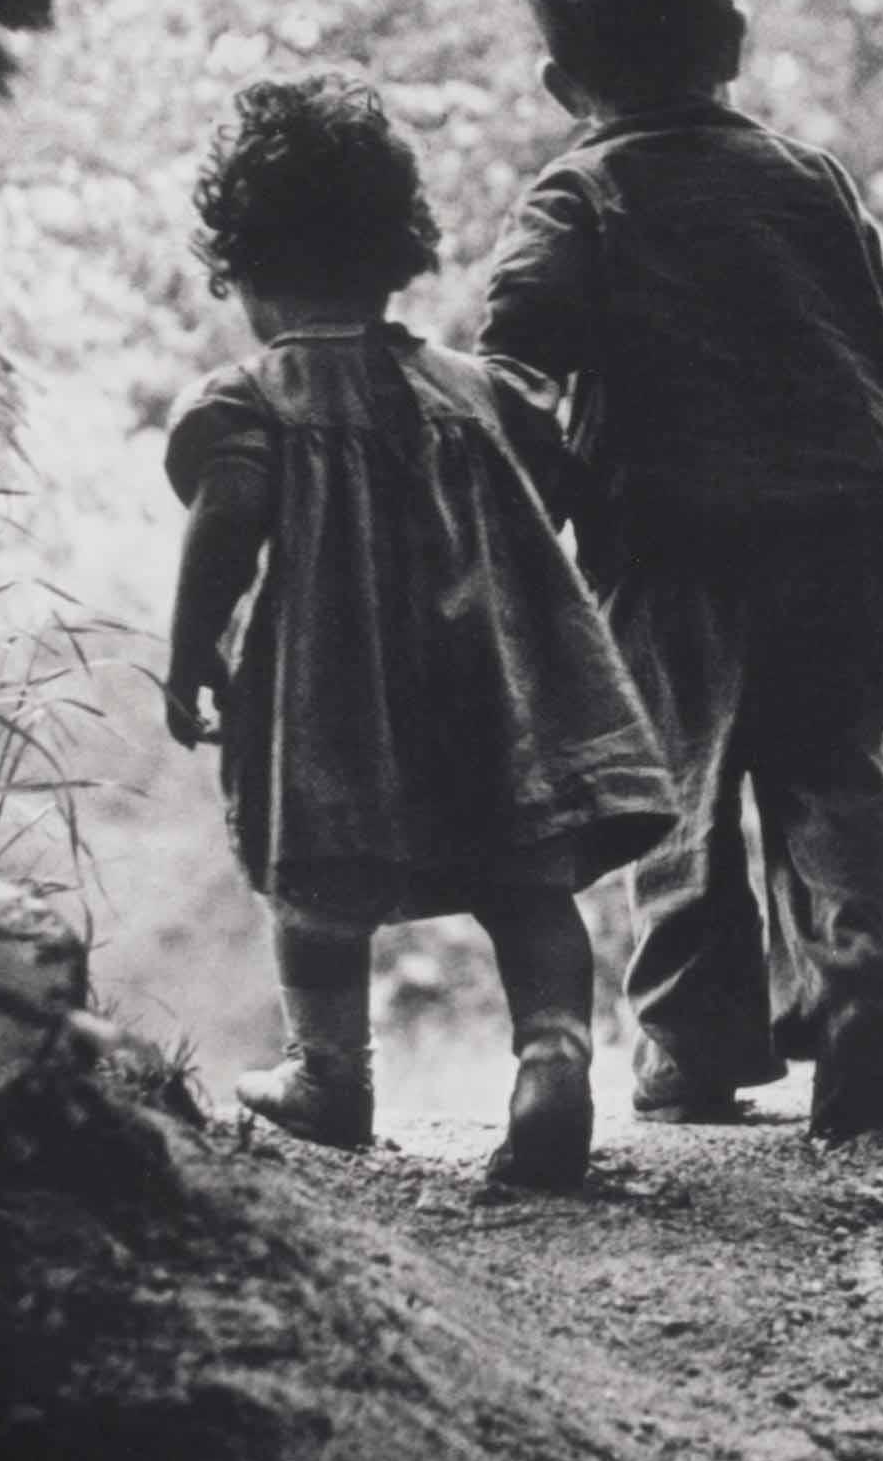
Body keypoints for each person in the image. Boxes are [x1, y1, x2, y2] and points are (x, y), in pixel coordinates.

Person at [479, 0, 883, 1142]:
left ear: (561, 83)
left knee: (681, 799)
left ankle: (692, 1045)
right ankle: (861, 972)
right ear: (733, 40)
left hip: (674, 549)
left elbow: (511, 356)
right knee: (832, 763)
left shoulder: (578, 195)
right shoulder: (809, 180)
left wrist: (533, 490)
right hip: (839, 528)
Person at [162, 74, 674, 1190]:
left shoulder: (255, 399)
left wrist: (189, 646)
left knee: (314, 892)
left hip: (332, 707)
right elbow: (564, 477)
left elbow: (228, 520)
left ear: (242, 267)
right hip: (498, 689)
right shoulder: (474, 388)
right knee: (528, 884)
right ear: (398, 250)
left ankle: (329, 1076)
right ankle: (551, 1058)